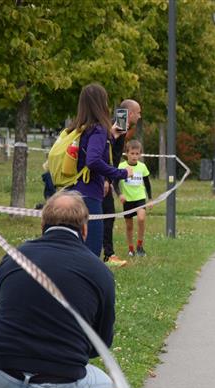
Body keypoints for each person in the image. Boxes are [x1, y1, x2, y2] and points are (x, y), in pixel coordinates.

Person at [0, 191, 117, 388]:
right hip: (60, 386)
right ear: (85, 229)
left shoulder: (14, 257)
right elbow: (101, 342)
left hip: (0, 376)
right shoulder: (100, 272)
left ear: (42, 223)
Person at [68, 83, 133, 257]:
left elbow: (87, 154)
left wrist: (111, 137)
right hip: (89, 195)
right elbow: (93, 160)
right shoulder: (98, 129)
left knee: (74, 249)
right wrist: (121, 173)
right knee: (92, 250)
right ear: (100, 103)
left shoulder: (78, 128)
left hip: (71, 191)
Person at [103, 98, 142, 267]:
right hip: (102, 177)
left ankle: (107, 254)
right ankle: (108, 255)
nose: (140, 116)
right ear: (130, 113)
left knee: (107, 214)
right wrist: (106, 179)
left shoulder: (122, 126)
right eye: (138, 113)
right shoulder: (118, 124)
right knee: (107, 214)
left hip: (107, 175)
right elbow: (105, 152)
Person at [117, 140, 152, 257]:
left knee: (141, 219)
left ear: (140, 154)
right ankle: (131, 249)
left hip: (140, 198)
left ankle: (140, 246)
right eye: (132, 153)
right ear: (127, 153)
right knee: (129, 226)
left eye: (137, 154)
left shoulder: (142, 167)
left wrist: (150, 199)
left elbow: (147, 184)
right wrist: (119, 194)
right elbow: (115, 182)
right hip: (127, 200)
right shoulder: (121, 167)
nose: (134, 156)